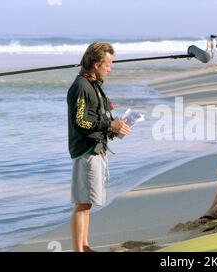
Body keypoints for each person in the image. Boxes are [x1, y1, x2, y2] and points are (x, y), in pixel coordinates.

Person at [67, 42, 131, 252]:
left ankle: (85, 246)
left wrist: (115, 127)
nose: (110, 69)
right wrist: (108, 125)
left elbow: (96, 118)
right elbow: (81, 122)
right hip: (86, 150)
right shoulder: (81, 87)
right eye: (108, 64)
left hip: (95, 148)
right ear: (96, 64)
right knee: (82, 203)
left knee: (87, 203)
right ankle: (79, 249)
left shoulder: (93, 84)